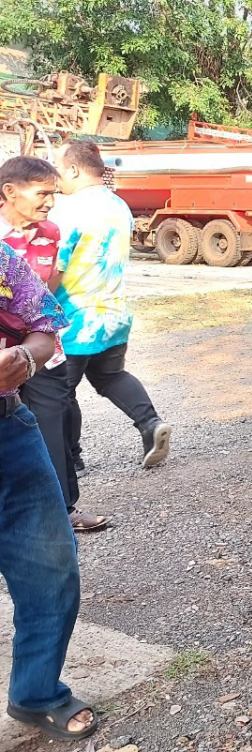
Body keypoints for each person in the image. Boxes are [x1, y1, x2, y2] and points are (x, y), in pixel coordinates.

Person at [0, 240, 100, 743]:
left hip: (11, 429)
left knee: (51, 566)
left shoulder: (2, 258)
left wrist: (24, 356)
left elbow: (45, 322)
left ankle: (36, 694)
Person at [0, 157, 109, 531]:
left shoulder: (50, 232)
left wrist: (35, 332)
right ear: (9, 192)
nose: (49, 201)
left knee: (52, 422)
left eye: (53, 193)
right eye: (42, 193)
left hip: (41, 348)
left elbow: (52, 283)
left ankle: (62, 511)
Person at [53, 141, 171, 470]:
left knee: (61, 389)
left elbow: (58, 266)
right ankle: (150, 424)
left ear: (74, 170)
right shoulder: (119, 206)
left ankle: (70, 460)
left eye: (58, 169)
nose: (56, 178)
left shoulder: (66, 209)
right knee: (110, 376)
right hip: (114, 313)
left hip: (74, 318)